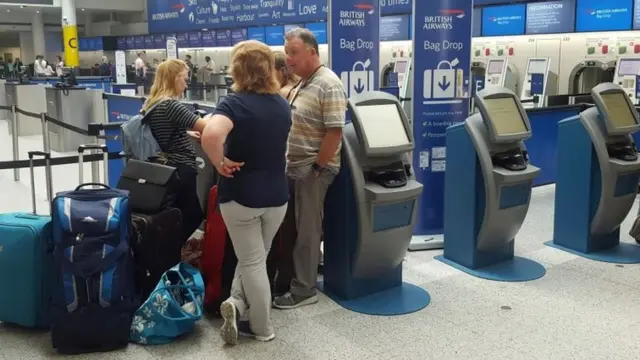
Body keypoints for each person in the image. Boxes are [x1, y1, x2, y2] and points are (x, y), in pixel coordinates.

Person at [200, 40, 291, 345]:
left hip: (241, 196)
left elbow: (212, 134)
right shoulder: (281, 103)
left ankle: (262, 327)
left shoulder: (234, 103)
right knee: (255, 256)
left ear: (238, 68)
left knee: (251, 261)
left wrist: (219, 162)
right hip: (277, 196)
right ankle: (237, 304)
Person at [272, 28, 347, 310]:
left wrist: (316, 168)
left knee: (307, 230)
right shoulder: (303, 83)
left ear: (312, 52)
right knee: (292, 228)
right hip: (295, 166)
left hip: (312, 169)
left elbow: (334, 132)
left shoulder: (328, 84)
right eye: (286, 52)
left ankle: (305, 289)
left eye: (293, 52)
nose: (288, 58)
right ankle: (290, 280)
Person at [140, 59, 208, 242]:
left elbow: (161, 130)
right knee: (193, 215)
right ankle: (171, 249)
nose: (186, 84)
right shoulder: (171, 105)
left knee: (173, 215)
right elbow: (207, 126)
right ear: (175, 78)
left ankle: (168, 252)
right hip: (182, 168)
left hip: (165, 168)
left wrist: (184, 132)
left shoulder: (152, 103)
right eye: (184, 79)